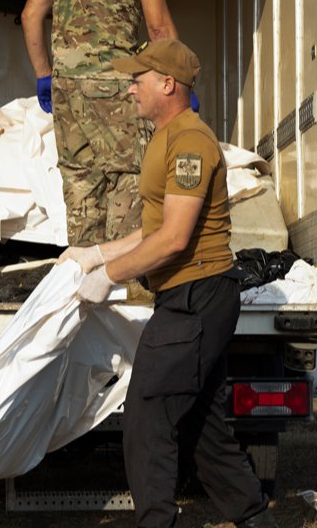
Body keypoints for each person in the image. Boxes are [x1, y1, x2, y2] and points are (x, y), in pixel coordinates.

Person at [59, 39, 276, 528]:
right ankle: (257, 520)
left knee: (147, 418)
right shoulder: (165, 138)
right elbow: (157, 229)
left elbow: (176, 239)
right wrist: (97, 253)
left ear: (167, 84)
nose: (130, 87)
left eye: (138, 78)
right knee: (204, 428)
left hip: (196, 298)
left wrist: (109, 276)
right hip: (191, 296)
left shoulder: (190, 143)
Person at [21, 0, 178, 248]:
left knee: (80, 185)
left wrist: (45, 75)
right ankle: (121, 286)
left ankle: (82, 277)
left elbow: (30, 15)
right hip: (118, 87)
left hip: (66, 89)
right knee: (127, 182)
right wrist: (178, 82)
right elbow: (158, 30)